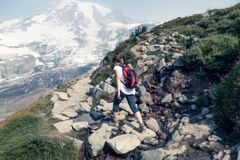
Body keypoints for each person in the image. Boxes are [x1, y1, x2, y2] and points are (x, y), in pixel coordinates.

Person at [112, 56, 146, 132]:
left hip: (123, 90)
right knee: (134, 107)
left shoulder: (116, 68)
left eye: (113, 63)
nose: (113, 65)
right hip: (131, 90)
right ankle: (142, 125)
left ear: (115, 62)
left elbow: (118, 80)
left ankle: (116, 123)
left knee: (116, 104)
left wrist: (118, 91)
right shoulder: (127, 67)